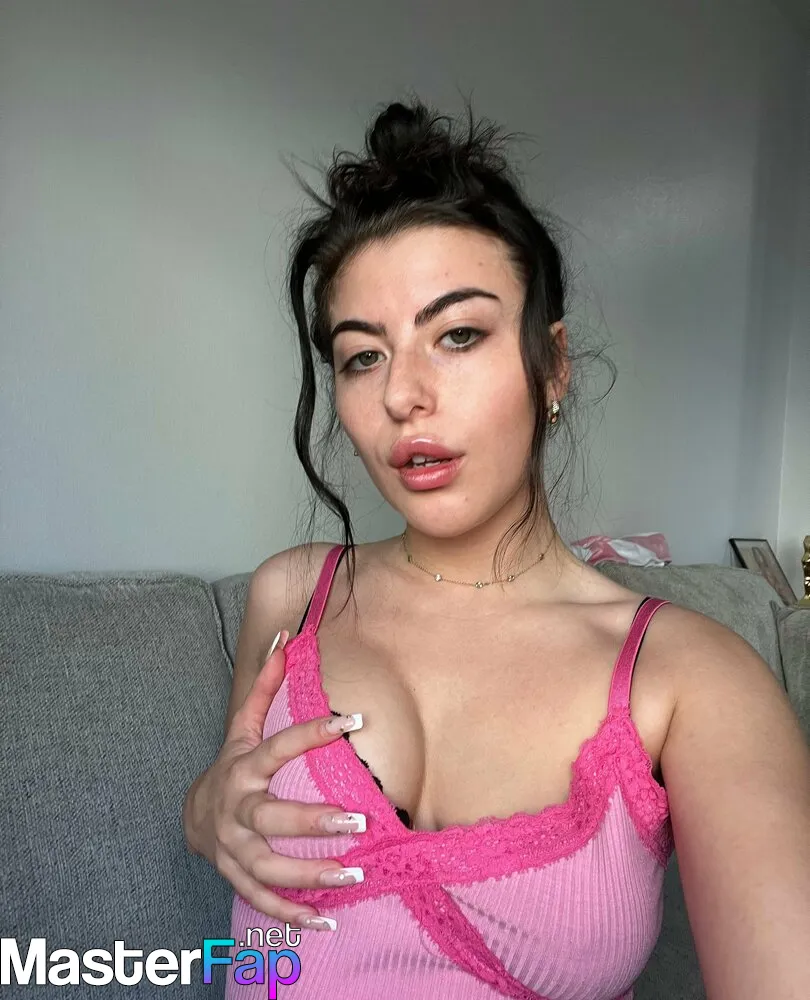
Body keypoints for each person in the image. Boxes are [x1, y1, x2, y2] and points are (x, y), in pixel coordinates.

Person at [182, 98, 810, 999]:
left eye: (458, 335)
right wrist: (204, 810)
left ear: (553, 366)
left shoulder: (691, 676)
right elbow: (226, 809)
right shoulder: (291, 598)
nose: (402, 395)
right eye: (363, 356)